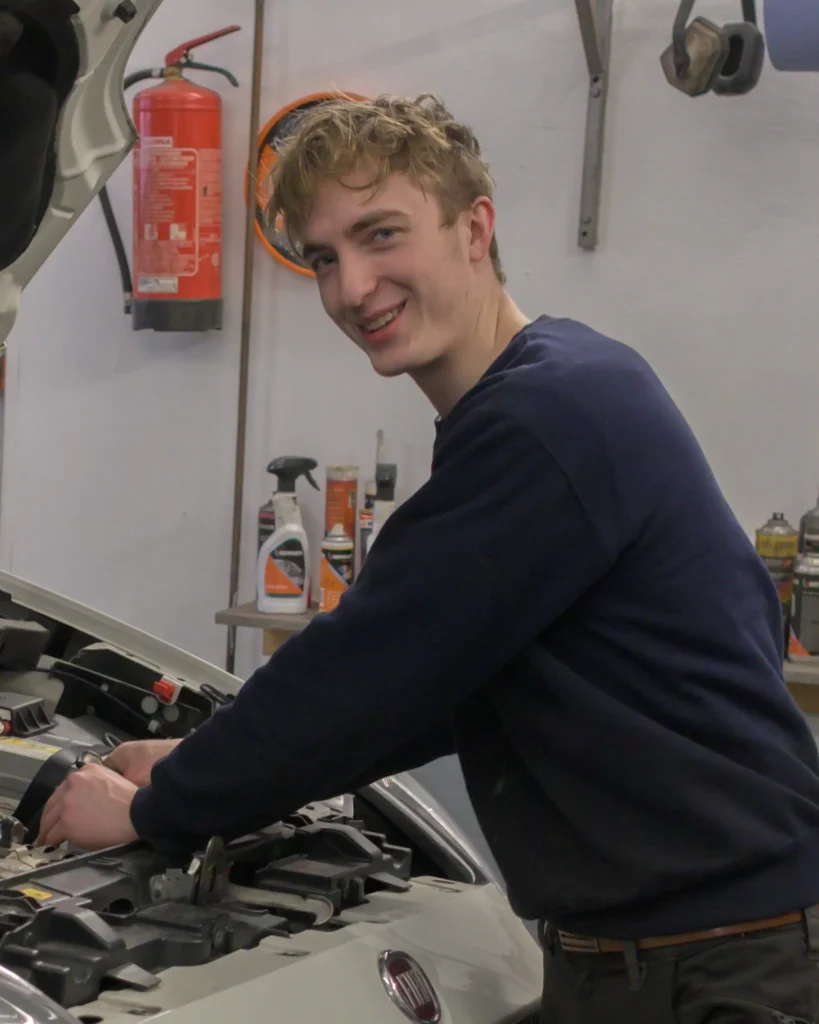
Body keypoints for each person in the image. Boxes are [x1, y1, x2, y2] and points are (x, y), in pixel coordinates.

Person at [37, 93, 819, 1022]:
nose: (352, 287)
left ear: (474, 227)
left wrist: (156, 814)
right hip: (654, 954)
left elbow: (368, 668)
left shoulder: (546, 419)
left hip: (718, 969)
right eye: (325, 258)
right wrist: (193, 761)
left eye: (381, 236)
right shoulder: (564, 383)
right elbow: (444, 684)